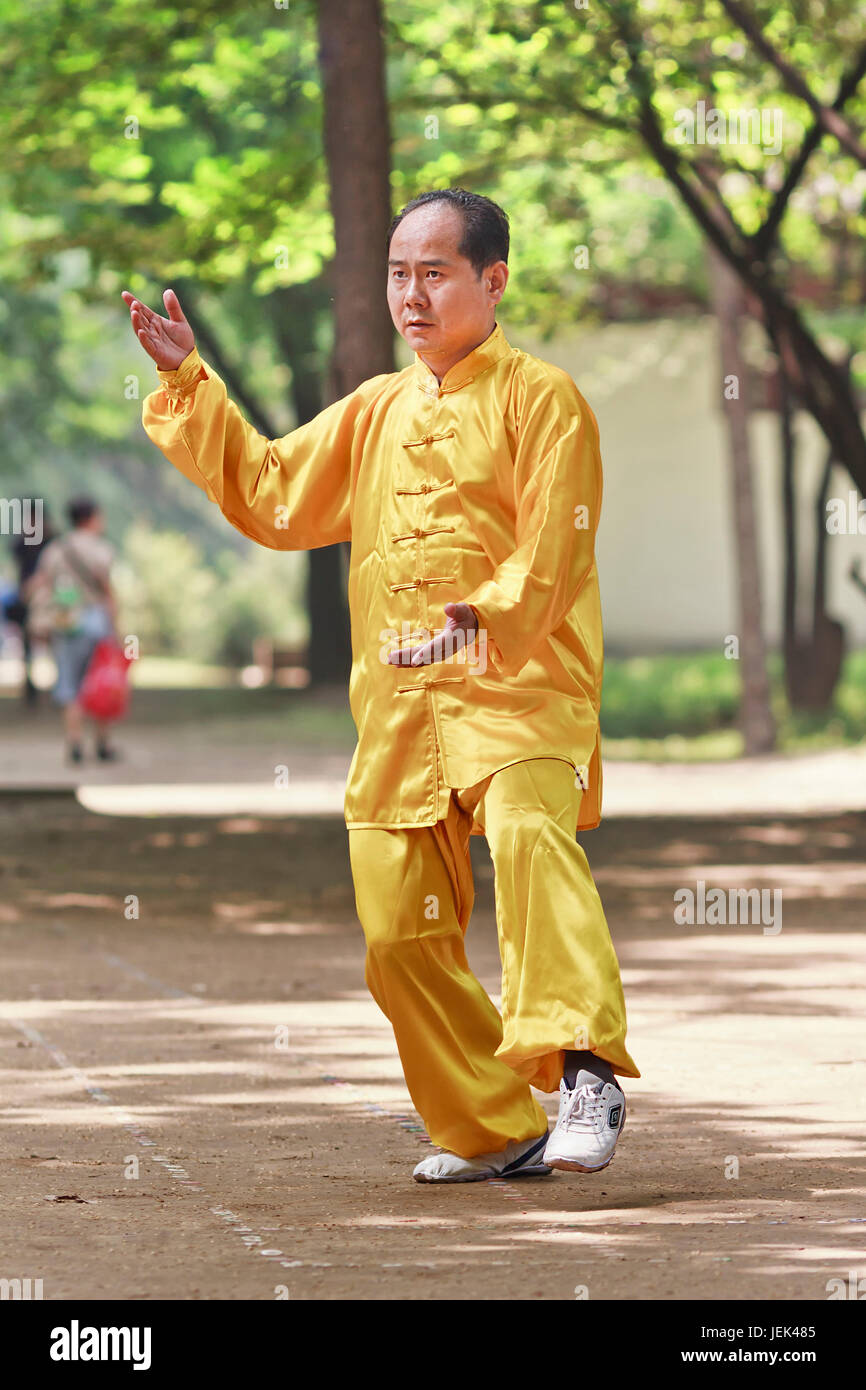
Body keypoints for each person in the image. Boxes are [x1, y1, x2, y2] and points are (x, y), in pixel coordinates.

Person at [123, 187, 639, 1184]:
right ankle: (494, 1125)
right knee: (396, 930)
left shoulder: (544, 400)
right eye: (398, 272)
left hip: (518, 685)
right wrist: (190, 381)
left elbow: (555, 551)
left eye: (434, 271)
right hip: (399, 708)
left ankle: (584, 1071)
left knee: (532, 837)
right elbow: (274, 492)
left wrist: (478, 622)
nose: (411, 293)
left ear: (491, 281)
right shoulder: (374, 409)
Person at [27, 496, 119, 764]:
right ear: (91, 518)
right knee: (103, 681)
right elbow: (107, 589)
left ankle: (75, 741)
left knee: (70, 683)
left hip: (66, 621)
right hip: (95, 620)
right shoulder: (101, 548)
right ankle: (102, 743)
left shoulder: (56, 550)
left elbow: (41, 583)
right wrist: (117, 625)